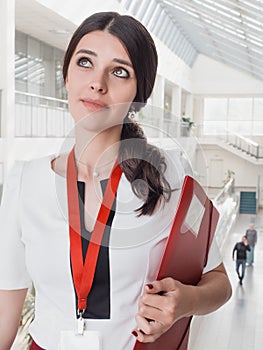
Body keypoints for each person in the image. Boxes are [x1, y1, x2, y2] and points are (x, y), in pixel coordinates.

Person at [0, 11, 232, 350]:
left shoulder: (168, 178)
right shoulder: (25, 181)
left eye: (119, 72)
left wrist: (186, 302)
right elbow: (7, 305)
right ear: (66, 75)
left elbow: (219, 282)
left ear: (140, 92)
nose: (98, 83)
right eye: (85, 63)